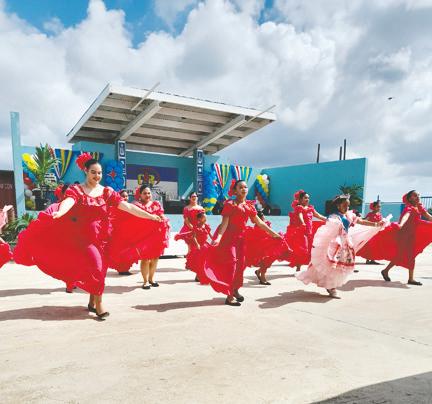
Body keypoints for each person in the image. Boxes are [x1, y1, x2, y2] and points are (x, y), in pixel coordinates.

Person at [13, 153, 162, 319]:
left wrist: (150, 216)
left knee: (100, 271)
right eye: (93, 172)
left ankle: (92, 302)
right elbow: (68, 202)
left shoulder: (106, 192)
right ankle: (100, 305)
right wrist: (61, 212)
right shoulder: (77, 190)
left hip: (104, 239)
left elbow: (128, 207)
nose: (97, 176)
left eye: (99, 173)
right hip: (85, 239)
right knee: (97, 268)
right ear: (86, 171)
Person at [201, 180, 282, 306]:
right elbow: (224, 224)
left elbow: (259, 223)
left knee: (240, 266)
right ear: (235, 190)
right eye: (240, 187)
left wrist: (274, 234)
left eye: (245, 187)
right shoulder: (230, 204)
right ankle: (229, 296)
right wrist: (218, 238)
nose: (244, 189)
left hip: (242, 240)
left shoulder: (249, 206)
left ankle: (235, 290)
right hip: (229, 239)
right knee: (232, 265)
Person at [296, 194, 385, 298]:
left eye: (348, 205)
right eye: (344, 205)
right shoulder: (334, 217)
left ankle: (331, 285)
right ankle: (331, 287)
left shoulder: (349, 215)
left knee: (340, 266)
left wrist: (376, 224)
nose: (347, 207)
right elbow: (328, 229)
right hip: (335, 243)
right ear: (338, 206)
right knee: (331, 265)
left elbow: (361, 221)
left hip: (345, 243)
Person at [359, 190, 432, 285]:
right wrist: (401, 224)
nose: (418, 197)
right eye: (415, 195)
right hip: (404, 235)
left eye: (418, 195)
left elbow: (428, 216)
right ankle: (408, 278)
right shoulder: (409, 208)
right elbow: (406, 216)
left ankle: (389, 271)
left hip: (412, 235)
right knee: (406, 254)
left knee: (406, 255)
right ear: (410, 198)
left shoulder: (419, 207)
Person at [108, 185, 170, 289]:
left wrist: (164, 220)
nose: (147, 195)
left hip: (156, 235)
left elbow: (161, 214)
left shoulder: (156, 204)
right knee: (145, 259)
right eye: (145, 193)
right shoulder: (136, 205)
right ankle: (145, 281)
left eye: (149, 193)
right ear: (140, 195)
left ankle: (151, 279)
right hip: (143, 237)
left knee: (155, 258)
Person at [245, 211, 291, 286]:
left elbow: (270, 232)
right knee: (265, 261)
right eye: (261, 217)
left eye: (263, 216)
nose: (263, 218)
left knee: (269, 259)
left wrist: (275, 236)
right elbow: (258, 237)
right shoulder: (257, 226)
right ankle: (262, 277)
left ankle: (259, 272)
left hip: (268, 243)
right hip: (262, 245)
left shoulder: (266, 223)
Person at [284, 190, 326, 271]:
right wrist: (303, 223)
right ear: (300, 199)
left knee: (311, 250)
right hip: (302, 232)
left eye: (308, 198)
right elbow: (300, 215)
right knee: (302, 250)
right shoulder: (299, 207)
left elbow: (318, 215)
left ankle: (311, 268)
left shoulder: (310, 208)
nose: (307, 199)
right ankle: (298, 267)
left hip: (309, 232)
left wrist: (328, 219)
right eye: (305, 198)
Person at [175, 212, 212, 281]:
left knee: (205, 261)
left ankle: (202, 275)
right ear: (199, 219)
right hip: (199, 246)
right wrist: (197, 244)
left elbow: (210, 234)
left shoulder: (206, 226)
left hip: (205, 245)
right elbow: (194, 236)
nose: (206, 218)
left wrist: (214, 240)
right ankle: (198, 276)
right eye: (204, 217)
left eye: (206, 217)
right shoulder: (196, 226)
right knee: (199, 261)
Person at [178, 192, 205, 259]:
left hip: (199, 228)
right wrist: (193, 228)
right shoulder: (186, 208)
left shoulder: (201, 208)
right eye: (192, 196)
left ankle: (197, 259)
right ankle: (190, 259)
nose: (194, 198)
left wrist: (201, 227)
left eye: (195, 196)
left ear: (197, 198)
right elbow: (186, 220)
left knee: (199, 245)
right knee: (190, 245)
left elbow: (203, 219)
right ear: (190, 198)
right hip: (189, 228)